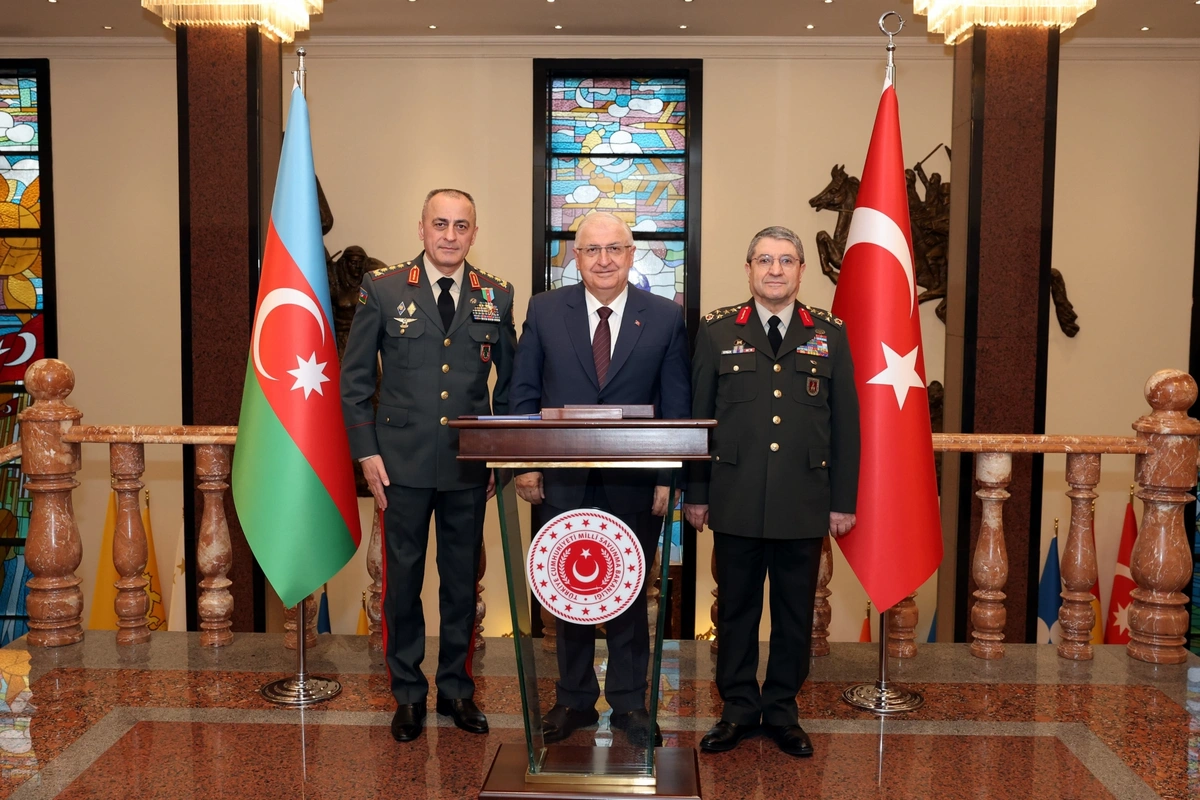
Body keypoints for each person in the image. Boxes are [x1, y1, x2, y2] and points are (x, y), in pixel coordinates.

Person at [340, 188, 517, 743]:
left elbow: (511, 388)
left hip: (468, 465)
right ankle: (409, 695)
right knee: (402, 584)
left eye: (461, 226)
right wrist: (366, 452)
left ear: (474, 234)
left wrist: (500, 456)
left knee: (462, 584)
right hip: (401, 465)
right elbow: (355, 380)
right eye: (440, 223)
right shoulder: (385, 287)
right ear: (421, 228)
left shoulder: (496, 294)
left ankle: (458, 691)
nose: (450, 235)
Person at [509, 211, 691, 748]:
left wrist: (668, 477)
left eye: (614, 249)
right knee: (568, 592)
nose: (604, 259)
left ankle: (631, 705)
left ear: (631, 255)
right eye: (592, 250)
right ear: (576, 257)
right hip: (561, 479)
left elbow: (676, 406)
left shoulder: (665, 317)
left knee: (631, 593)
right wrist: (526, 463)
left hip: (635, 482)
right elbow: (524, 391)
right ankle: (574, 700)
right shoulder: (545, 310)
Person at [684, 226, 860, 758]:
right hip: (734, 497)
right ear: (749, 269)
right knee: (735, 611)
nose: (775, 270)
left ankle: (782, 710)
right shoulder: (717, 330)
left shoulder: (829, 332)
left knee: (794, 614)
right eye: (764, 260)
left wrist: (842, 500)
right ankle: (737, 709)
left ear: (801, 270)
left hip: (803, 499)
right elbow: (698, 420)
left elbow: (846, 425)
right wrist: (697, 492)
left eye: (786, 260)